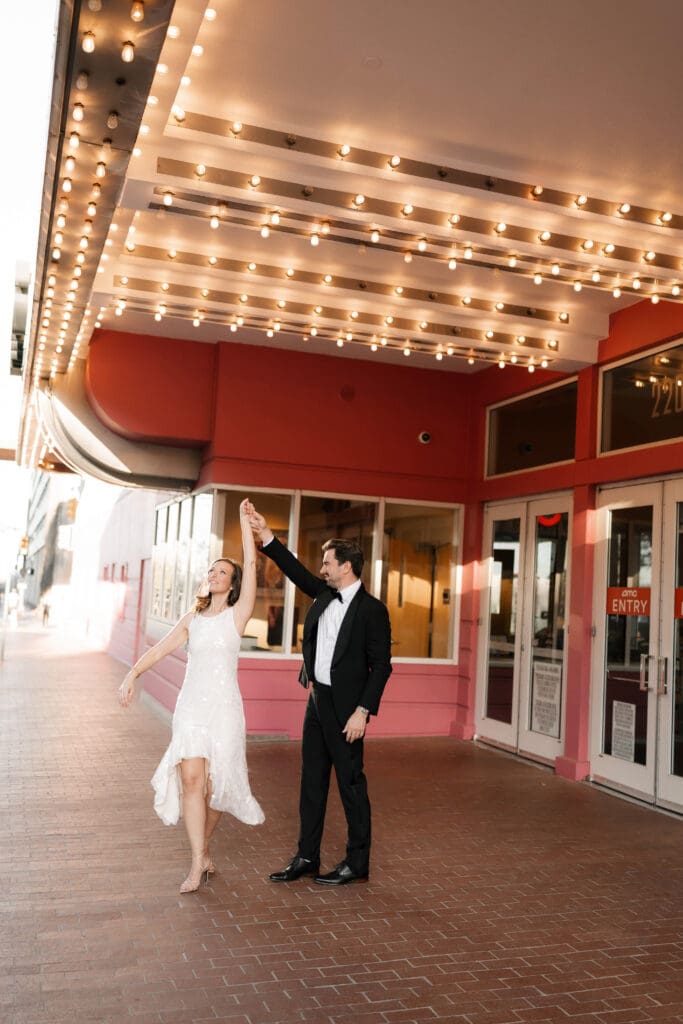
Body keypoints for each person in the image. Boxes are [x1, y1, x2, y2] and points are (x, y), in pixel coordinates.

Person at [118, 498, 264, 893]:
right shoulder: (192, 620)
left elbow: (252, 566)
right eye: (212, 569)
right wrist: (133, 673)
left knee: (218, 788)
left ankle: (204, 848)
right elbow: (159, 649)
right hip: (191, 709)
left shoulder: (238, 615)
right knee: (193, 782)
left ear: (232, 584)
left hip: (225, 709)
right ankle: (197, 861)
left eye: (223, 571)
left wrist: (244, 525)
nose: (215, 574)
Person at [247, 506, 392, 886]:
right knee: (311, 782)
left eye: (328, 563)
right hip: (317, 701)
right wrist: (266, 534)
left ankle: (357, 863)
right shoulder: (325, 595)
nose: (322, 569)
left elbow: (382, 667)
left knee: (351, 786)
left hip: (348, 712)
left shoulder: (372, 611)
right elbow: (294, 571)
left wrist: (363, 711)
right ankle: (307, 856)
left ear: (346, 567)